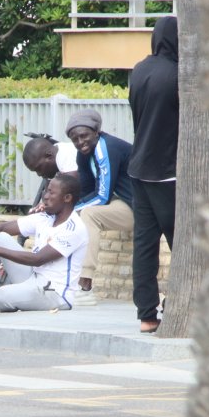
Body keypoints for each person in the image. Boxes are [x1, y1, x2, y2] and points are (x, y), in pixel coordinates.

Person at [128, 16, 179, 333]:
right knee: (183, 242)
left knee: (144, 246)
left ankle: (147, 315)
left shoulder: (139, 70)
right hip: (167, 171)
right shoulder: (179, 75)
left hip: (139, 168)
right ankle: (177, 304)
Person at [0, 174, 92, 312]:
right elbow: (1, 228)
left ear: (67, 198)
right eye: (46, 190)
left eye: (51, 192)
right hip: (33, 277)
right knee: (0, 237)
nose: (45, 196)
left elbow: (37, 259)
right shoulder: (45, 217)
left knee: (2, 295)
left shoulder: (74, 228)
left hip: (54, 293)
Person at [66, 109, 134, 294]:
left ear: (96, 132)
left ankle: (84, 281)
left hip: (139, 209)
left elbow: (102, 196)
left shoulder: (106, 147)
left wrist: (69, 211)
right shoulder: (84, 153)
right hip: (119, 202)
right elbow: (86, 190)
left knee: (89, 213)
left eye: (84, 136)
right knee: (78, 215)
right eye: (75, 139)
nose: (80, 142)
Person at [23, 133, 78, 213]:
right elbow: (48, 194)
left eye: (39, 168)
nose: (39, 174)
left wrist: (47, 205)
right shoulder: (55, 153)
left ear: (49, 156)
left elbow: (70, 192)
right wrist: (43, 205)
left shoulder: (66, 156)